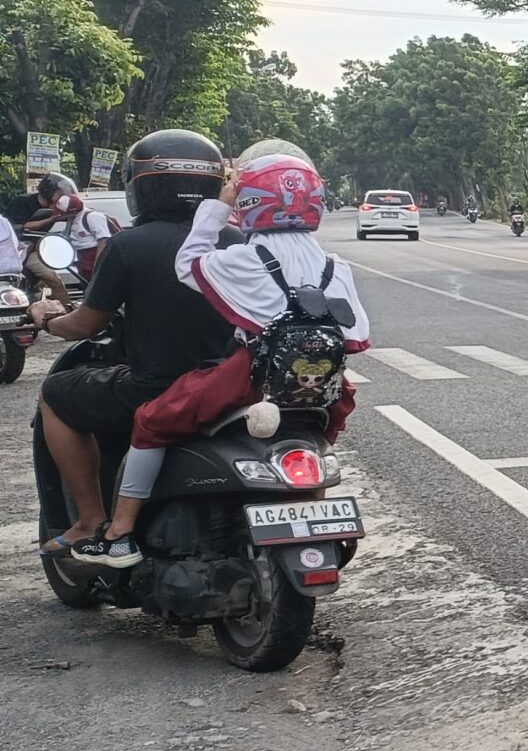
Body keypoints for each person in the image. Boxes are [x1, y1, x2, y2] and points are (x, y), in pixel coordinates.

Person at [93, 144, 372, 556]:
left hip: (251, 378)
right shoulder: (335, 266)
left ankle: (119, 532)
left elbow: (189, 265)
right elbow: (357, 336)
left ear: (249, 202)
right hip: (324, 386)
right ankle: (313, 511)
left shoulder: (245, 257)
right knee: (317, 433)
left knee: (152, 421)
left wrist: (218, 207)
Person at [28, 131, 238, 567]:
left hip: (157, 389)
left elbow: (86, 325)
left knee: (55, 394)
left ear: (142, 186)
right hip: (233, 388)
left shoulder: (130, 244)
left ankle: (90, 520)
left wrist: (47, 318)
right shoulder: (237, 240)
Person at [7, 172, 69, 303]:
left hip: (39, 249)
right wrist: (52, 219)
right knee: (54, 281)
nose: (61, 197)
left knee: (51, 282)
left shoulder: (54, 208)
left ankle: (63, 310)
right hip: (21, 251)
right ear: (49, 191)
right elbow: (22, 226)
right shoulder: (22, 203)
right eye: (59, 193)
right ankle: (67, 310)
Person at [37, 174, 115, 275]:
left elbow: (104, 241)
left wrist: (98, 267)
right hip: (82, 262)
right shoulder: (72, 221)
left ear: (72, 212)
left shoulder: (92, 217)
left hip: (93, 260)